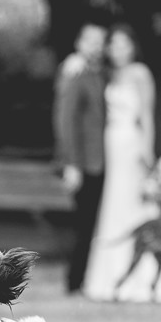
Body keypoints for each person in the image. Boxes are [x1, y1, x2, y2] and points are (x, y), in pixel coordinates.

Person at [82, 23, 161, 302]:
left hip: (131, 143)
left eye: (123, 44)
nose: (117, 50)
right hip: (111, 144)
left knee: (136, 203)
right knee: (112, 203)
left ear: (133, 46)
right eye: (113, 45)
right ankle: (109, 276)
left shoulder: (141, 73)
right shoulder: (107, 74)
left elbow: (147, 115)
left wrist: (147, 150)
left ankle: (147, 275)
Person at [52, 19, 109, 296]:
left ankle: (89, 278)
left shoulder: (100, 73)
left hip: (102, 160)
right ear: (79, 43)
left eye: (101, 42)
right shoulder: (74, 73)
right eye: (91, 41)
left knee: (95, 222)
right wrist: (71, 164)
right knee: (84, 223)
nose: (97, 47)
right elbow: (65, 121)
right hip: (83, 162)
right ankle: (74, 282)